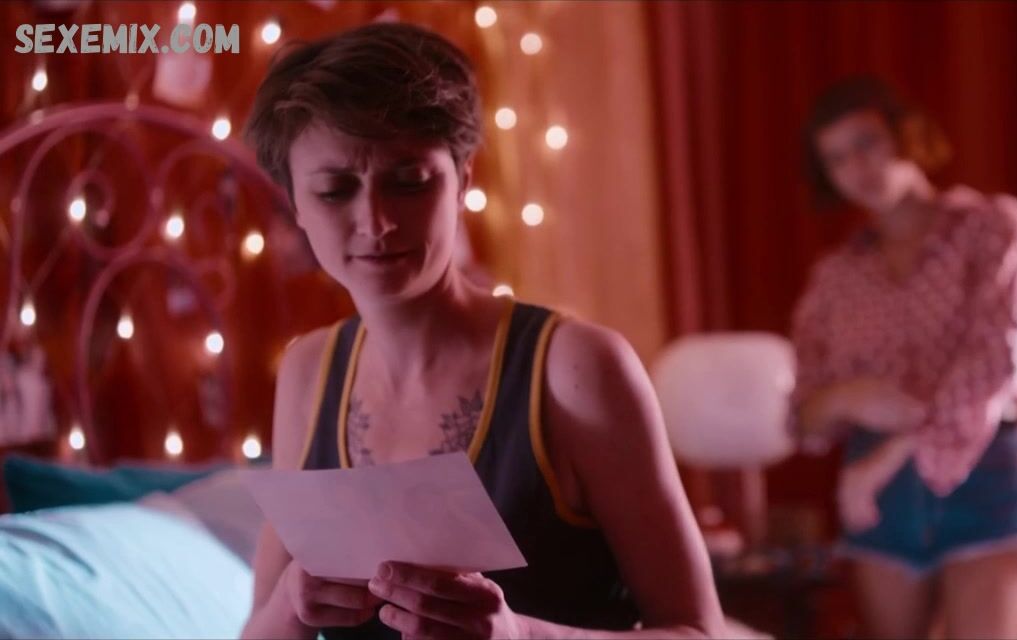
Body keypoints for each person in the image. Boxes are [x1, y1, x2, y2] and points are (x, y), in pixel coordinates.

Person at [238, 23, 722, 640]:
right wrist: (290, 603)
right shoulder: (309, 370)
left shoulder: (574, 369)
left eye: (409, 182)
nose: (376, 222)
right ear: (295, 204)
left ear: (464, 179)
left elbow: (698, 632)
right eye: (335, 191)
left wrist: (518, 636)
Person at [790, 75, 1017, 639]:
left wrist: (896, 453)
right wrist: (847, 397)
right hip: (879, 496)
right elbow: (803, 418)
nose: (858, 168)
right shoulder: (834, 278)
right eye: (837, 159)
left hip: (982, 469)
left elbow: (999, 359)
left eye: (866, 142)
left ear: (905, 133)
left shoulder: (991, 226)